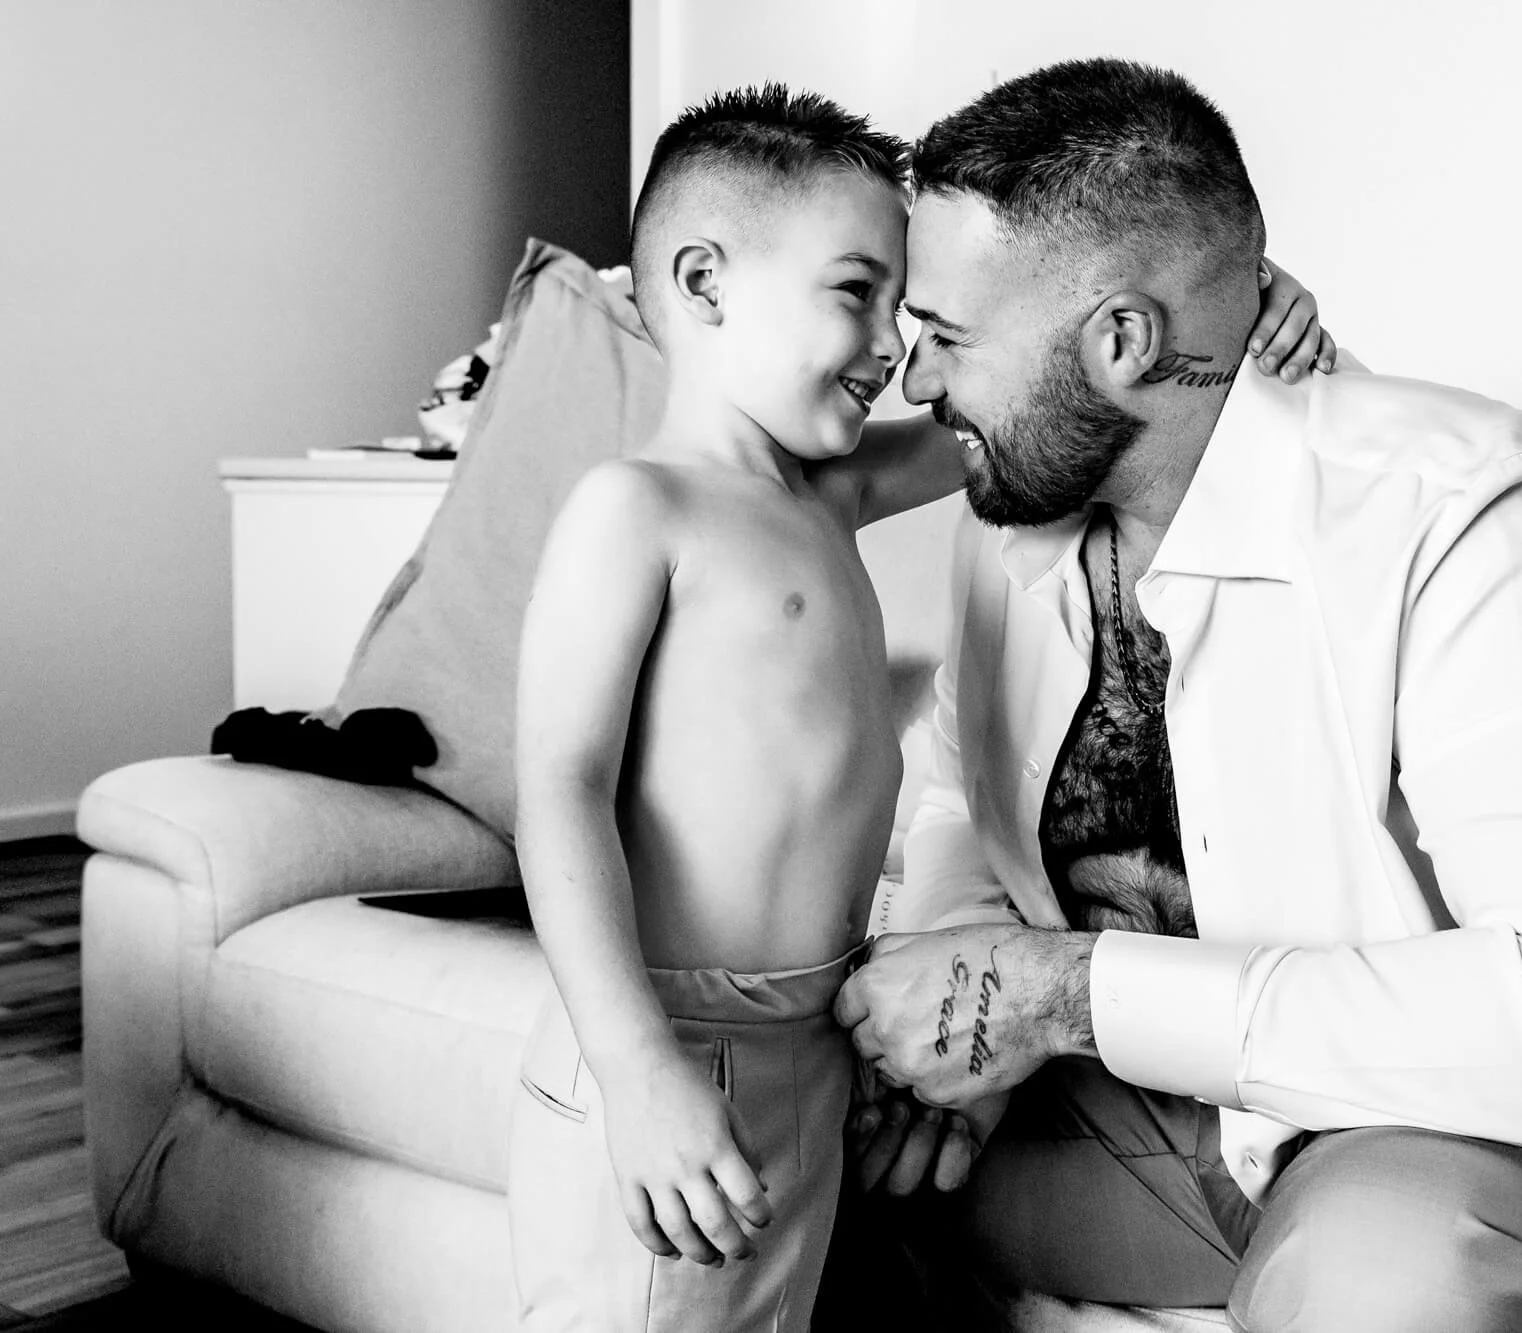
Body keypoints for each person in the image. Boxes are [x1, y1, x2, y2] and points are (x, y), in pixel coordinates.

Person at [832, 58, 1522, 1332]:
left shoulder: (1464, 512)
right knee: (780, 1151)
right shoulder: (1016, 513)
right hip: (1155, 1125)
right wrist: (965, 1011)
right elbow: (963, 786)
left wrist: (1060, 989)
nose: (913, 384)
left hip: (1490, 1140)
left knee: (1379, 1286)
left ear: (1120, 340)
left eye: (947, 341)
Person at [508, 84, 1334, 1333]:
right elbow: (559, 792)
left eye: (903, 301)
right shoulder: (638, 512)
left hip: (813, 1035)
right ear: (701, 282)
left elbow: (1025, 414)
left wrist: (1224, 315)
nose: (896, 343)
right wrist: (636, 1074)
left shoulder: (826, 493)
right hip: (678, 1034)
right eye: (856, 290)